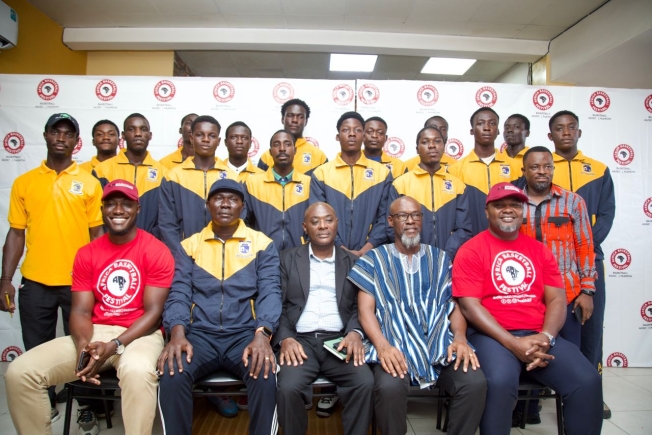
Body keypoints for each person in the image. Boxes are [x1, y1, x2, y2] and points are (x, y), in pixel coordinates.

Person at [5, 179, 175, 435]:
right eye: (111, 204)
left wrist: (114, 345)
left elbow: (153, 313)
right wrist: (84, 346)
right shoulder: (87, 253)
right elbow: (80, 312)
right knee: (20, 372)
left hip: (140, 334)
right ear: (102, 209)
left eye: (126, 204)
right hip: (96, 332)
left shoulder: (156, 250)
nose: (118, 210)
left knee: (138, 371)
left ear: (137, 209)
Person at [453, 182, 602, 435]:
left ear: (523, 211)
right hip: (492, 337)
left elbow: (556, 300)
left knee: (587, 381)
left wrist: (546, 337)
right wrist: (513, 344)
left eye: (514, 205)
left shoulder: (539, 250)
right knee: (498, 383)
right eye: (499, 205)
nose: (507, 210)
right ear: (487, 211)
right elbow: (469, 306)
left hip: (538, 335)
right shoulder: (471, 250)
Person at [350, 196, 487, 435]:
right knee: (389, 388)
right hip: (393, 343)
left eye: (416, 215)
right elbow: (365, 310)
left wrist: (460, 338)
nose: (411, 221)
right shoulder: (373, 259)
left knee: (475, 383)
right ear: (390, 221)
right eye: (403, 216)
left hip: (439, 344)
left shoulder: (441, 258)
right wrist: (382, 346)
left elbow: (454, 306)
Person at [0, 113, 103, 422]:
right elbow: (16, 233)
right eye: (56, 132)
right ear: (46, 135)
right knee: (36, 349)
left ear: (76, 141)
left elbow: (97, 235)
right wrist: (6, 279)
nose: (61, 138)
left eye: (68, 134)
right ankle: (44, 403)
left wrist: (99, 281)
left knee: (83, 347)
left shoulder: (89, 183)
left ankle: (86, 405)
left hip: (79, 283)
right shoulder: (25, 182)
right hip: (35, 281)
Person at [157, 178, 281, 435]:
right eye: (218, 198)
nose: (225, 204)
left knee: (265, 371)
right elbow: (179, 292)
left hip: (245, 335)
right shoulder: (189, 246)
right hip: (199, 336)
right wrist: (177, 333)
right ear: (208, 205)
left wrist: (263, 334)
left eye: (233, 199)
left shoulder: (262, 244)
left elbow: (270, 291)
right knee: (172, 371)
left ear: (243, 207)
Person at [275, 202, 374, 435]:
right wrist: (285, 338)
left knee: (364, 382)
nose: (322, 226)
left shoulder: (353, 262)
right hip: (299, 341)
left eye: (328, 220)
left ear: (336, 224)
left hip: (339, 341)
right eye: (315, 221)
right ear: (305, 227)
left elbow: (359, 307)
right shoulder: (286, 259)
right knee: (288, 388)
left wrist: (355, 333)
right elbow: (276, 304)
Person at [515, 145, 597, 425]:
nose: (542, 172)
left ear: (553, 168)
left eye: (547, 166)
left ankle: (572, 416)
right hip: (526, 298)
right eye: (535, 167)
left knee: (567, 361)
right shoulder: (513, 202)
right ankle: (528, 410)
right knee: (529, 356)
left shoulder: (573, 202)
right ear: (524, 170)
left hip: (568, 295)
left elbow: (585, 246)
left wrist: (587, 290)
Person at [547, 110, 615, 418]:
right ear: (550, 135)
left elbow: (607, 214)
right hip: (553, 263)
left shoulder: (598, 170)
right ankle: (544, 393)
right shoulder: (544, 166)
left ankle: (593, 394)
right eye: (559, 128)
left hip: (589, 260)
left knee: (590, 330)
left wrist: (582, 246)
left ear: (579, 132)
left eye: (571, 127)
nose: (566, 132)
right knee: (550, 326)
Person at [310, 111, 391, 256]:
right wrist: (341, 248)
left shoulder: (382, 173)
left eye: (357, 130)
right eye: (346, 130)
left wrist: (365, 250)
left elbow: (385, 217)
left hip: (372, 253)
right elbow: (318, 217)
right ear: (338, 136)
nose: (352, 134)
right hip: (332, 253)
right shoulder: (321, 173)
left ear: (364, 136)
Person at [389, 126, 472, 258]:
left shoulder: (458, 185)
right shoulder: (401, 184)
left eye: (437, 141)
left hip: (447, 258)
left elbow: (464, 228)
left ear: (444, 146)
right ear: (417, 149)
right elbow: (392, 227)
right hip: (411, 257)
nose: (432, 145)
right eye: (425, 142)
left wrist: (446, 255)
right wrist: (416, 253)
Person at [159, 115, 235, 251]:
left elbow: (239, 220)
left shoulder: (231, 177)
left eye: (211, 136)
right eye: (200, 135)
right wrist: (180, 254)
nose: (206, 139)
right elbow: (167, 223)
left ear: (218, 141)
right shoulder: (173, 177)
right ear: (191, 138)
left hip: (222, 254)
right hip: (184, 254)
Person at [93, 113, 167, 238]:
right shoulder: (102, 170)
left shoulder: (164, 173)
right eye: (131, 129)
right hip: (112, 243)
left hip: (150, 243)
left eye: (143, 129)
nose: (138, 134)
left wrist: (151, 240)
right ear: (123, 135)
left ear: (150, 135)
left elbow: (165, 217)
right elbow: (96, 215)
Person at [448, 108, 520, 235]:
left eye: (492, 123)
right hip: (471, 239)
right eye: (480, 123)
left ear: (498, 131)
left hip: (508, 237)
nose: (487, 128)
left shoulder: (516, 167)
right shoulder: (455, 170)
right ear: (472, 130)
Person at [244, 130, 311, 251]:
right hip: (263, 254)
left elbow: (316, 220)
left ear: (295, 150)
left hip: (300, 254)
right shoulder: (252, 183)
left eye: (287, 144)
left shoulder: (309, 183)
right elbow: (243, 222)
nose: (282, 149)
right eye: (276, 144)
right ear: (270, 152)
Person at [258, 98, 328, 175]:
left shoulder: (319, 157)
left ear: (306, 121)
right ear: (283, 119)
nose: (295, 120)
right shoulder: (266, 157)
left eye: (300, 116)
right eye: (290, 115)